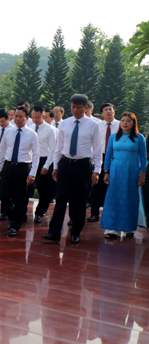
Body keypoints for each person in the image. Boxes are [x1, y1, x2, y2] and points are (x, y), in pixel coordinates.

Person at [43, 94, 101, 244]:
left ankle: (76, 232)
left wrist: (97, 170)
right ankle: (54, 232)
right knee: (61, 199)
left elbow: (97, 148)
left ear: (86, 108)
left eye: (79, 107)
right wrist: (55, 166)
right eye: (73, 107)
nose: (75, 110)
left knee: (79, 200)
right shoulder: (65, 123)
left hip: (83, 165)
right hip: (65, 164)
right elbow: (59, 146)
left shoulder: (93, 125)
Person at [101, 112, 147, 238]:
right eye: (122, 120)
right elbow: (108, 155)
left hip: (132, 171)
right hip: (116, 171)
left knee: (129, 198)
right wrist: (106, 172)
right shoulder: (114, 137)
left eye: (128, 121)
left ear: (133, 123)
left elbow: (143, 157)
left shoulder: (139, 137)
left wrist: (142, 174)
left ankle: (129, 227)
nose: (125, 123)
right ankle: (112, 228)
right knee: (114, 197)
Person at [0, 106, 39, 236]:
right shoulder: (8, 132)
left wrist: (32, 174)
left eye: (21, 116)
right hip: (8, 166)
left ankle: (15, 225)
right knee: (3, 195)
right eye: (16, 116)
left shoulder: (32, 134)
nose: (18, 119)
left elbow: (36, 155)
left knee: (20, 198)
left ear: (27, 118)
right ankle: (13, 217)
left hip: (23, 167)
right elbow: (2, 150)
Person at [88, 103, 120, 222]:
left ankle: (111, 214)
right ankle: (94, 213)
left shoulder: (120, 125)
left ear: (114, 112)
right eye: (106, 110)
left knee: (113, 187)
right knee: (96, 186)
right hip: (100, 157)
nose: (109, 112)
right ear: (102, 113)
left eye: (111, 109)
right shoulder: (97, 126)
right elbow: (92, 144)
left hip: (115, 157)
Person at [31, 106, 57, 223]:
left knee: (44, 190)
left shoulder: (49, 129)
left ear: (43, 116)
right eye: (33, 117)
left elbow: (53, 149)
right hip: (32, 160)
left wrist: (46, 165)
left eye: (38, 117)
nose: (35, 120)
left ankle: (40, 212)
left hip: (45, 160)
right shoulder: (30, 128)